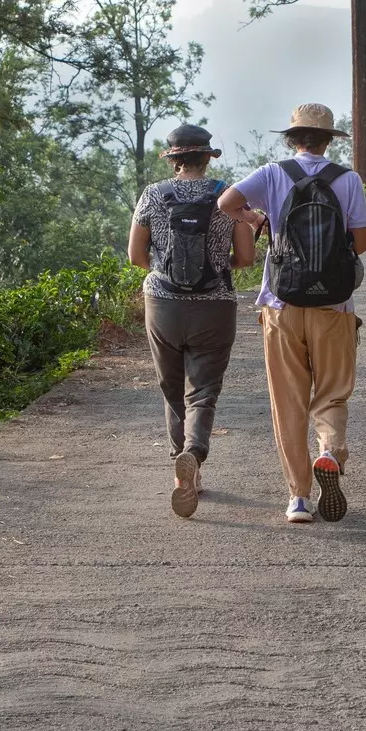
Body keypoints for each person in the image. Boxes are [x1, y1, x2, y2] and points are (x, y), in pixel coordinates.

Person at [218, 103, 366, 524]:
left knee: (288, 402)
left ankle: (299, 499)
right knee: (333, 392)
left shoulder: (272, 174)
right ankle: (329, 452)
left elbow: (225, 202)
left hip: (281, 304)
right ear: (328, 140)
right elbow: (361, 241)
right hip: (335, 305)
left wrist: (254, 218)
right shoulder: (347, 180)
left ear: (293, 138)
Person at [128, 124, 257, 519]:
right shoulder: (227, 196)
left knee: (171, 388)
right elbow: (247, 257)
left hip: (163, 304)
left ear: (174, 159)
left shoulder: (152, 194)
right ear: (207, 157)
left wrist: (166, 277)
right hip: (215, 304)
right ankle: (194, 453)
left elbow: (135, 255)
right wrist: (219, 266)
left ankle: (183, 474)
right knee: (202, 391)